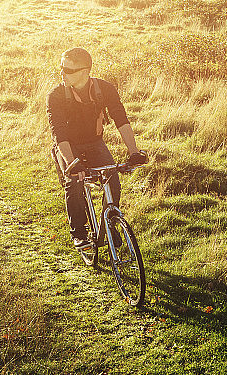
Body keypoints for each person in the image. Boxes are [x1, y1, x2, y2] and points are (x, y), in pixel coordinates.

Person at [47, 47, 147, 250]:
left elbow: (121, 119)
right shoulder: (56, 95)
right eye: (61, 67)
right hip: (67, 146)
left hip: (94, 143)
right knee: (74, 182)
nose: (62, 73)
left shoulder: (105, 89)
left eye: (68, 69)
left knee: (112, 180)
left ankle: (110, 227)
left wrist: (134, 152)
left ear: (85, 71)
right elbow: (59, 133)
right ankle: (79, 233)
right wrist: (71, 163)